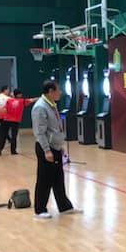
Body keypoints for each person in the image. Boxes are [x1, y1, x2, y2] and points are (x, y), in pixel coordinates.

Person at [32, 80, 80, 219]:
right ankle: (40, 209)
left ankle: (64, 206)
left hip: (55, 147)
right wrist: (47, 150)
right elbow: (40, 132)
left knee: (58, 178)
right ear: (50, 91)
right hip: (46, 148)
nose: (60, 92)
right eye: (58, 90)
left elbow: (55, 128)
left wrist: (60, 146)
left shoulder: (52, 105)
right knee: (44, 179)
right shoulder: (40, 107)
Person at [0, 89, 37, 155]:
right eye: (20, 94)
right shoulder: (22, 101)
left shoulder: (9, 101)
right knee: (14, 136)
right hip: (15, 121)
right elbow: (32, 100)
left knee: (3, 135)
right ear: (18, 94)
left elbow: (4, 109)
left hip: (6, 120)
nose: (21, 95)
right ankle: (13, 151)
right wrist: (40, 98)